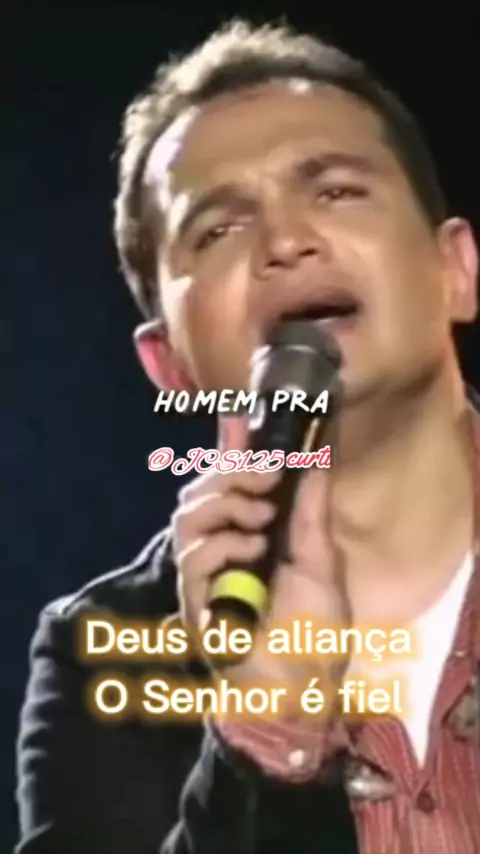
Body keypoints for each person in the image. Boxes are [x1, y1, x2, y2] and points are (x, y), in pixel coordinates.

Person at [15, 17, 480, 854]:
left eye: (337, 191)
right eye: (218, 230)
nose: (287, 242)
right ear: (170, 365)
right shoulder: (107, 654)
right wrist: (267, 739)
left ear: (457, 271)